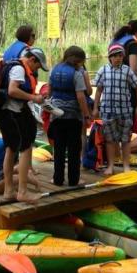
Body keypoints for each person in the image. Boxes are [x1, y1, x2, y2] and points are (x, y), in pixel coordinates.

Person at [0, 48, 48, 204]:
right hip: (11, 114)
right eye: (38, 66)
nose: (37, 69)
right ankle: (22, 192)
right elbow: (12, 90)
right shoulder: (18, 68)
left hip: (5, 114)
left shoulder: (14, 66)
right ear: (31, 60)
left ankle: (9, 190)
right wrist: (33, 98)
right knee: (25, 148)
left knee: (10, 149)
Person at [47, 46, 92, 186]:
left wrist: (50, 111)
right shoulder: (77, 73)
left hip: (56, 115)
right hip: (73, 117)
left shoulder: (53, 69)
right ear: (77, 61)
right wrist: (86, 115)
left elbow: (50, 92)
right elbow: (81, 96)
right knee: (74, 149)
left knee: (59, 149)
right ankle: (74, 180)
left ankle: (58, 179)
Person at [92, 45, 137, 176]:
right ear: (110, 57)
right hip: (107, 110)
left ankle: (126, 165)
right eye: (115, 56)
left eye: (120, 56)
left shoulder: (127, 71)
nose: (118, 58)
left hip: (125, 111)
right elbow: (99, 90)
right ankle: (111, 166)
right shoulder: (103, 70)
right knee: (109, 139)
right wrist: (96, 108)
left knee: (125, 139)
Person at [111, 20, 137, 118]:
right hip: (129, 87)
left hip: (114, 82)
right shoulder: (133, 44)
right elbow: (134, 69)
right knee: (132, 116)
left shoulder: (115, 41)